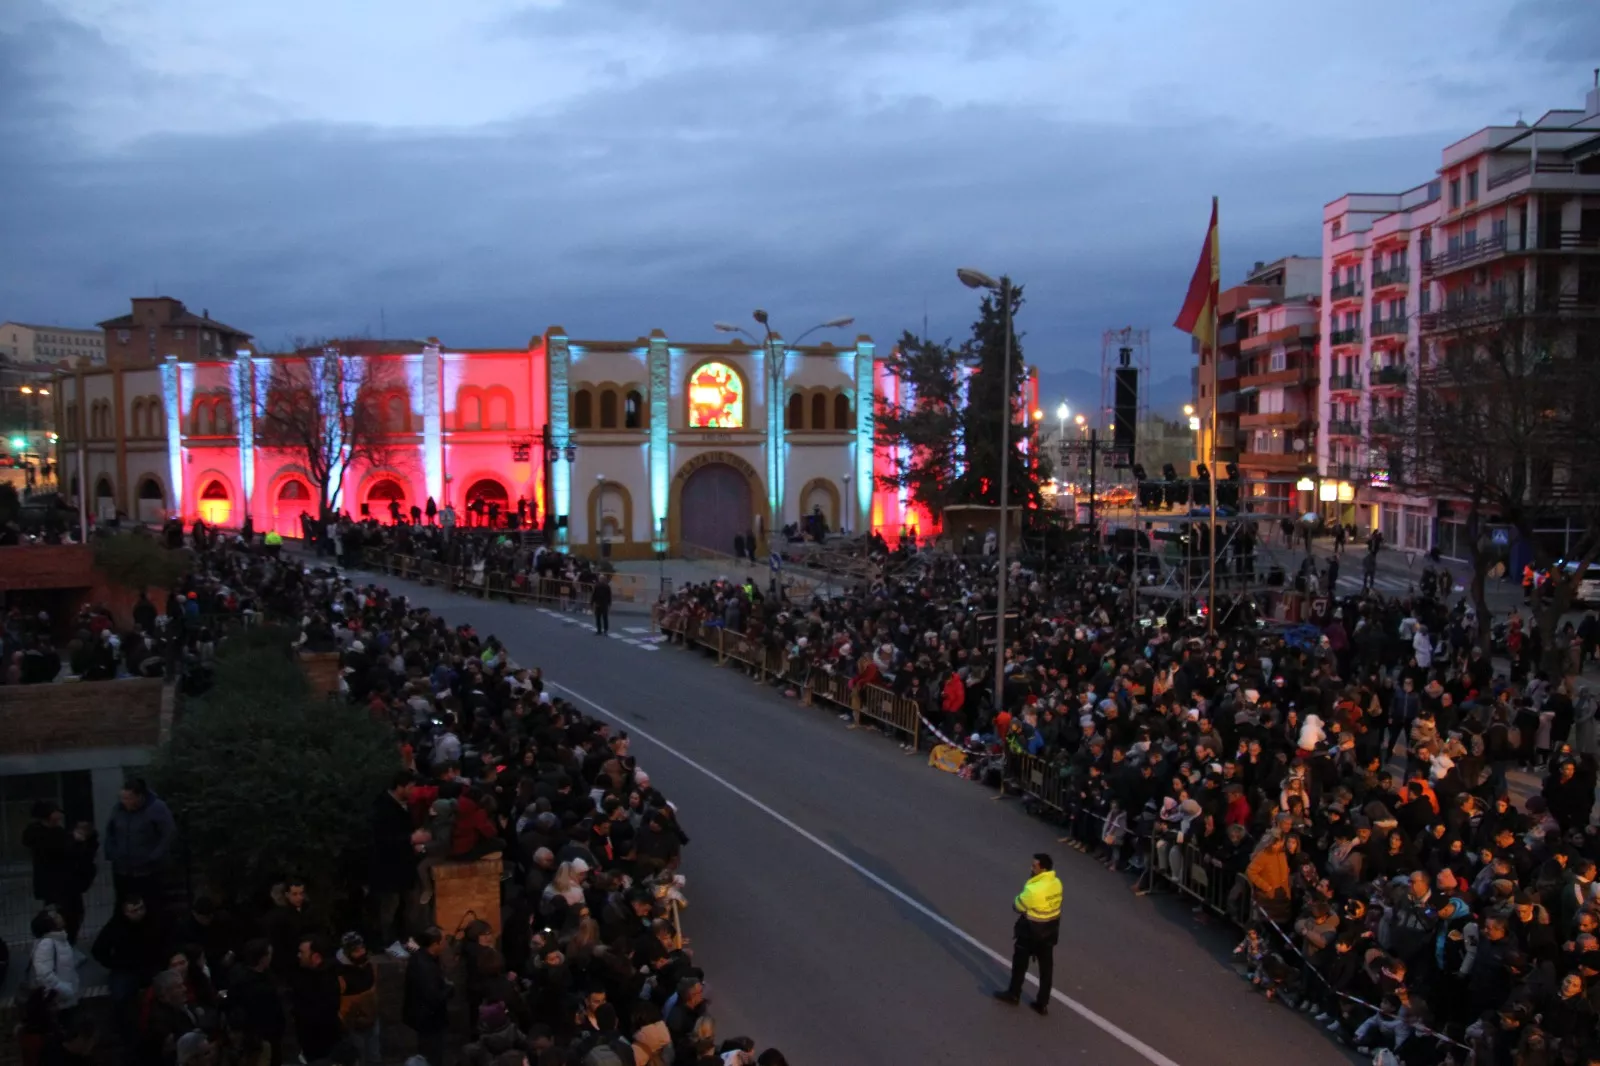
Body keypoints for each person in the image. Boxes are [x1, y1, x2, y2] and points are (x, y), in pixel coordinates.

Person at [993, 852, 1061, 1015]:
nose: (1031, 868)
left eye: (1034, 866)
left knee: (1020, 965)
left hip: (1031, 932)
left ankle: (1014, 994)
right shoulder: (1057, 883)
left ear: (1042, 869)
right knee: (1046, 970)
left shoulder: (1033, 889)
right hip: (1050, 932)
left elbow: (1017, 906)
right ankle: (1042, 1003)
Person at [104, 777, 175, 905]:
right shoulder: (118, 809)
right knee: (125, 905)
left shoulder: (156, 808)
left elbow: (168, 834)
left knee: (151, 905)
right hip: (122, 870)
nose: (124, 801)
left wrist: (153, 856)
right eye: (122, 798)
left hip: (148, 871)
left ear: (139, 796)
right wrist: (112, 852)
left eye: (128, 798)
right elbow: (110, 832)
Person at [403, 927, 452, 1066]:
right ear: (435, 944)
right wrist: (449, 989)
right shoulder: (425, 966)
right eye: (443, 940)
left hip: (425, 1018)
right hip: (429, 1020)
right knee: (432, 1055)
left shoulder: (422, 957)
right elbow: (433, 997)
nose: (445, 944)